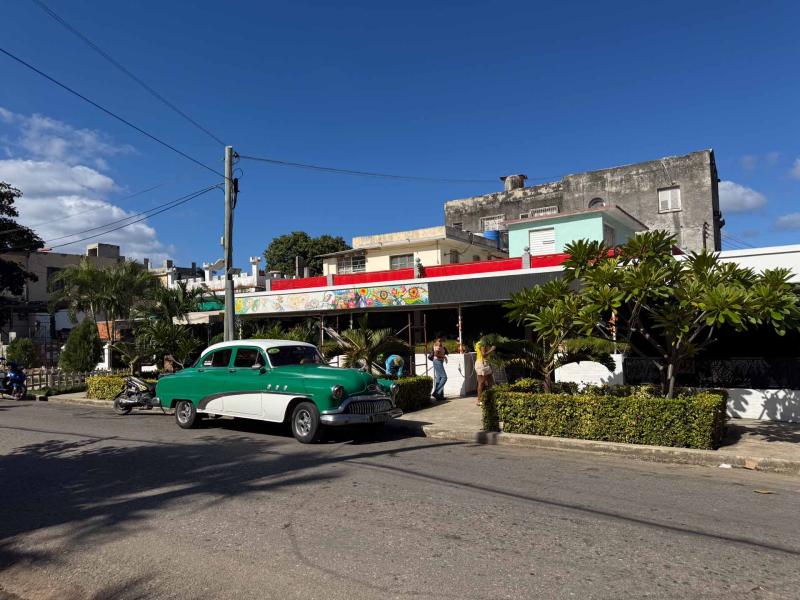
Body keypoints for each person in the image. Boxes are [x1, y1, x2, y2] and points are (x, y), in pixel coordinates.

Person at [474, 339, 496, 406]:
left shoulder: (482, 343)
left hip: (485, 363)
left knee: (490, 382)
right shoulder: (482, 343)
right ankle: (479, 400)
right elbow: (483, 354)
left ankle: (490, 399)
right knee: (481, 382)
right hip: (482, 363)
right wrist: (491, 349)